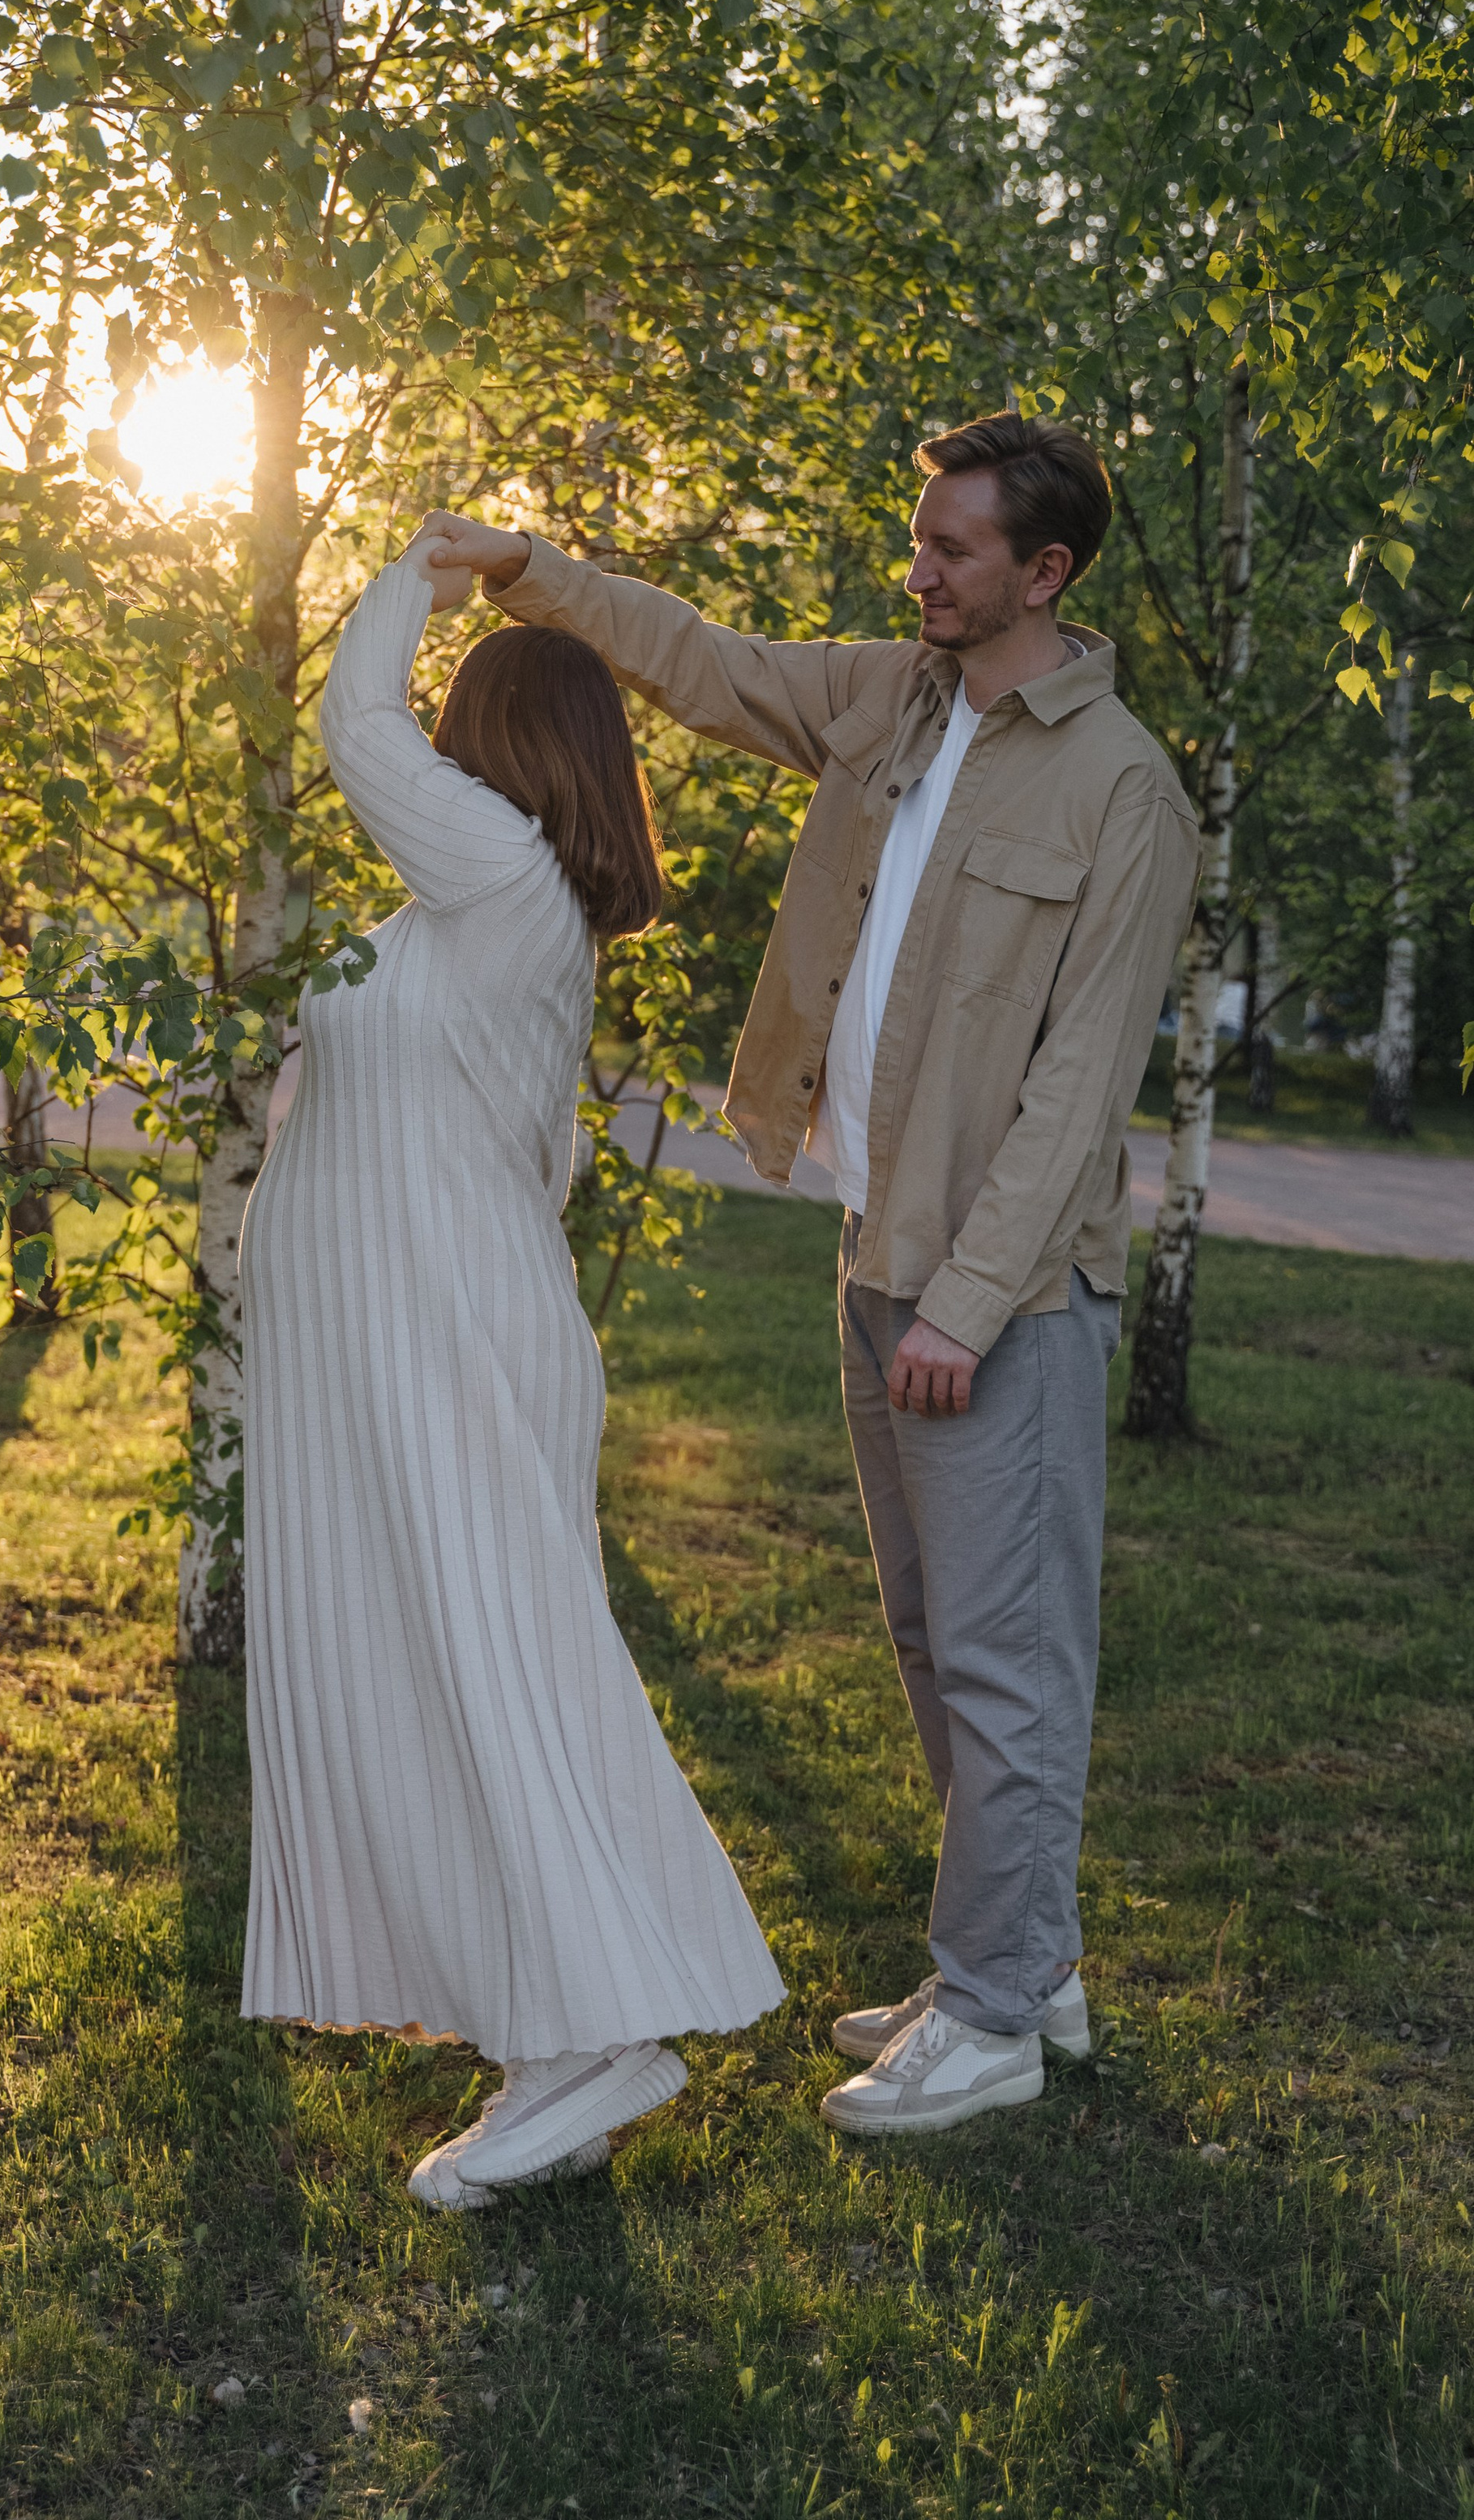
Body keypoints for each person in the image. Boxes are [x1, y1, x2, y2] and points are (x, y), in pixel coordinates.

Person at [424, 414, 1198, 2138]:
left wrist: (964, 1303)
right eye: (914, 539)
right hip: (879, 1256)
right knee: (935, 1639)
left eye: (949, 551)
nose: (914, 570)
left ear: (1044, 574)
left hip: (988, 1295)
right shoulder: (890, 698)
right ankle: (1027, 1960)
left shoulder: (1120, 789)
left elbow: (1080, 1091)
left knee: (1004, 1656)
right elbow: (700, 664)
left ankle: (990, 2017)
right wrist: (522, 568)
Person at [239, 525, 784, 2209]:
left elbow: (348, 724)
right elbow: (510, 1155)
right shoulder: (473, 915)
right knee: (444, 1680)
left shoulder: (492, 873)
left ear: (490, 744)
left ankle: (612, 2025)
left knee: (498, 1677)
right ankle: (551, 2025)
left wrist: (420, 565)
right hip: (426, 1344)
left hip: (444, 1351)